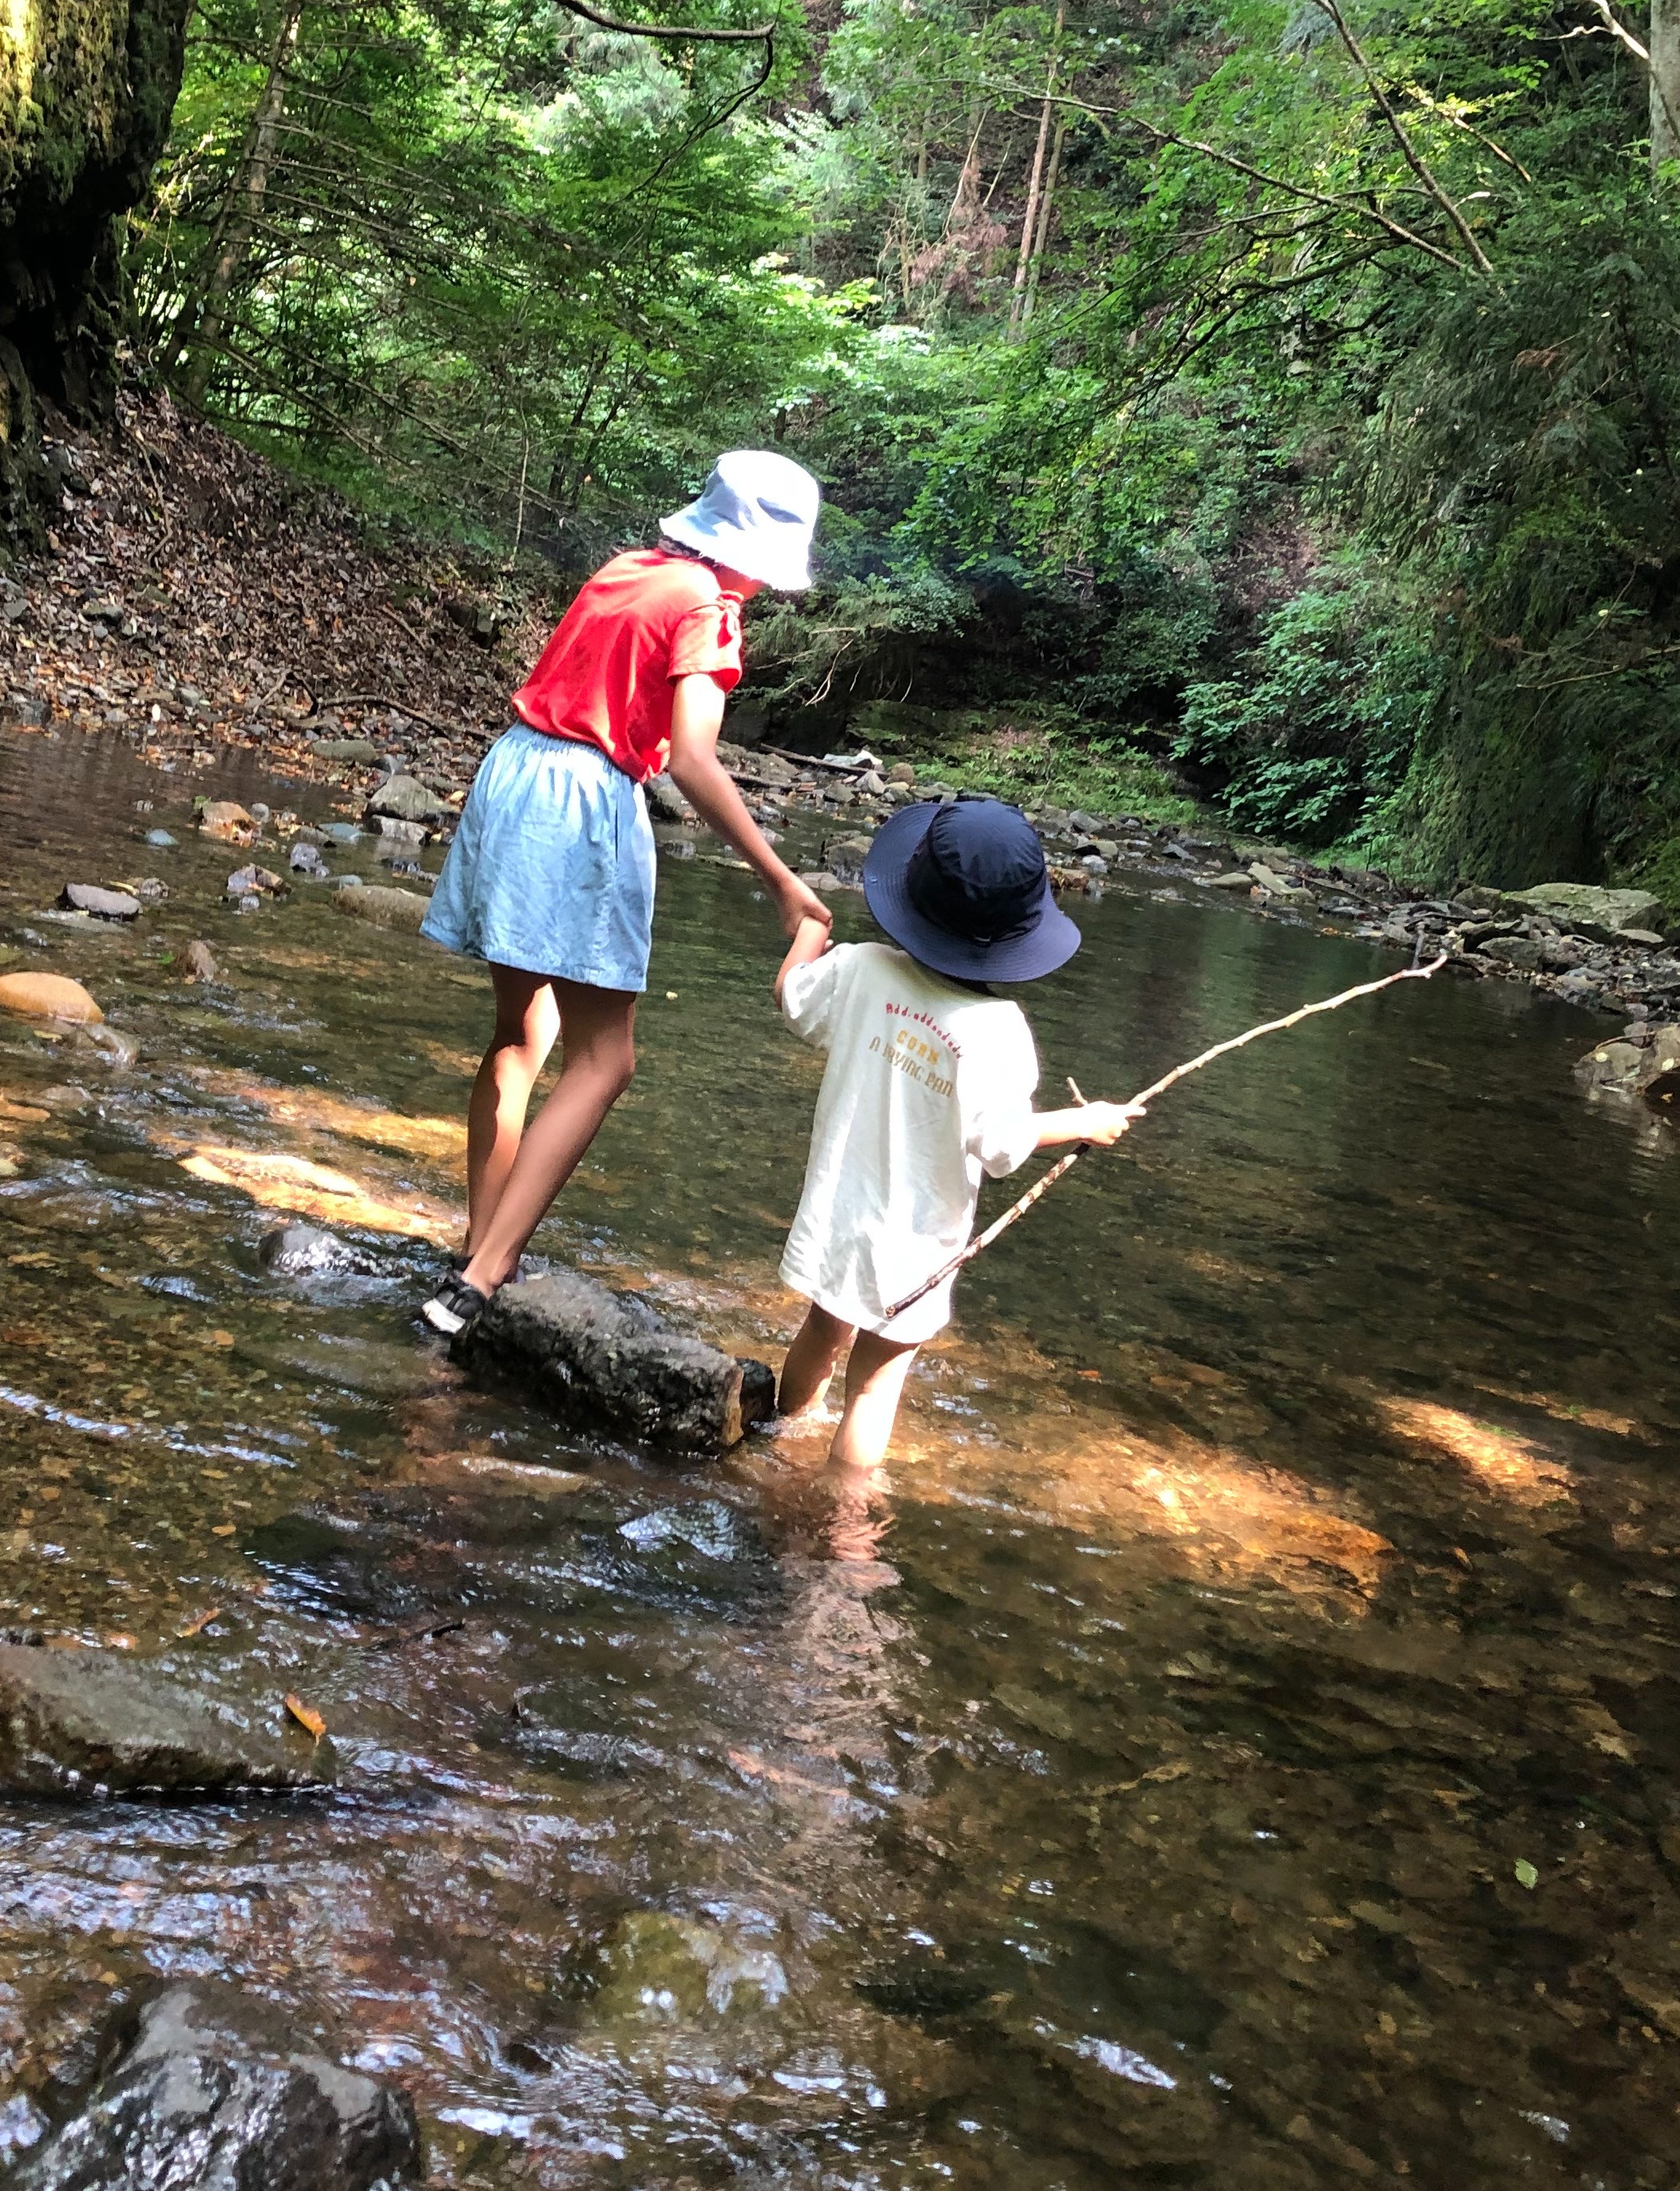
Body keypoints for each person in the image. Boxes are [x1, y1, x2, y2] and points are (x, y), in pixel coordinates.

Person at [420, 450, 833, 1329]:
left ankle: (480, 1241)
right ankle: (481, 1282)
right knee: (606, 1060)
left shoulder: (625, 570)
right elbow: (690, 757)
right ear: (758, 558)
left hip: (513, 771)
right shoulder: (711, 610)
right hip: (584, 799)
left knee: (520, 1029)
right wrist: (782, 882)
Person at [771, 794, 1140, 1471]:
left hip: (836, 1216)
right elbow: (999, 1149)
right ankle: (844, 1524)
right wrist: (1086, 1122)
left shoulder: (859, 968)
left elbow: (793, 999)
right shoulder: (997, 1032)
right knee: (876, 1384)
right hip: (913, 1246)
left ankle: (775, 1441)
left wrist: (808, 932)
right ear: (1011, 935)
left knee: (823, 1330)